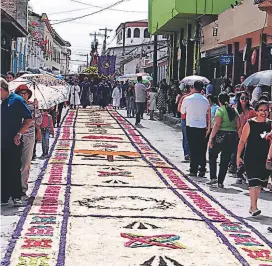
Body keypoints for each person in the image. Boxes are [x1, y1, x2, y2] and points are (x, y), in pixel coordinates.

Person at [1, 78, 32, 206]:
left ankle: (16, 195)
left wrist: (19, 133)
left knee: (13, 167)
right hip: (2, 139)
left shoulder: (17, 100)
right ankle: (3, 196)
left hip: (13, 140)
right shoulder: (2, 102)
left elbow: (28, 119)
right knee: (2, 168)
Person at [237, 101, 271, 216]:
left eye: (266, 110)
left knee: (259, 183)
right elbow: (242, 141)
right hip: (251, 156)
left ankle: (253, 206)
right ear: (256, 111)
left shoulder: (270, 124)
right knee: (253, 181)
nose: (263, 112)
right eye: (261, 110)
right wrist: (238, 156)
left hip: (264, 157)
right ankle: (253, 206)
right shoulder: (250, 123)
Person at [15, 85, 42, 197]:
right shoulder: (14, 105)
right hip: (16, 135)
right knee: (15, 162)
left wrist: (37, 108)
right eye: (21, 93)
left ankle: (23, 187)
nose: (23, 95)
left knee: (26, 163)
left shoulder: (32, 106)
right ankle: (13, 186)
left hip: (29, 136)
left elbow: (39, 121)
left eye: (25, 93)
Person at [207, 93, 239, 188]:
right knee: (225, 159)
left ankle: (213, 177)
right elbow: (238, 125)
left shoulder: (220, 110)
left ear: (219, 101)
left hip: (221, 135)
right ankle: (220, 181)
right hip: (232, 136)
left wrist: (211, 138)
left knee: (212, 155)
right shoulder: (234, 110)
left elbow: (217, 125)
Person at [181, 81, 211, 177]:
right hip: (202, 126)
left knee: (192, 148)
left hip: (191, 125)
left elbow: (182, 111)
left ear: (193, 87)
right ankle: (202, 168)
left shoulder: (187, 99)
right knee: (202, 148)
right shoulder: (205, 100)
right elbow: (208, 113)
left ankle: (193, 169)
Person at [178, 85, 193, 161]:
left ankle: (187, 154)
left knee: (186, 137)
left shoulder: (184, 98)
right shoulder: (201, 98)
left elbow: (179, 109)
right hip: (189, 119)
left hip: (186, 119)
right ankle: (188, 154)